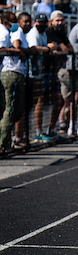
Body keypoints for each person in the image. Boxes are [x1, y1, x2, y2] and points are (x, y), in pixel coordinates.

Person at [23, 13, 56, 142]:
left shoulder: (43, 34)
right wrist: (47, 48)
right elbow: (33, 48)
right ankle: (31, 132)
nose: (42, 25)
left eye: (44, 22)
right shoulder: (33, 34)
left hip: (39, 72)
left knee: (38, 102)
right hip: (32, 72)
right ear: (34, 23)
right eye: (39, 23)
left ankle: (36, 131)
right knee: (35, 102)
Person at [0, 10, 29, 153]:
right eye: (14, 21)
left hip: (12, 72)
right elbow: (5, 48)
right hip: (10, 72)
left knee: (15, 111)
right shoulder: (5, 33)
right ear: (6, 22)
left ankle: (5, 143)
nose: (16, 24)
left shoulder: (9, 32)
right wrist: (18, 51)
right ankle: (2, 144)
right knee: (10, 110)